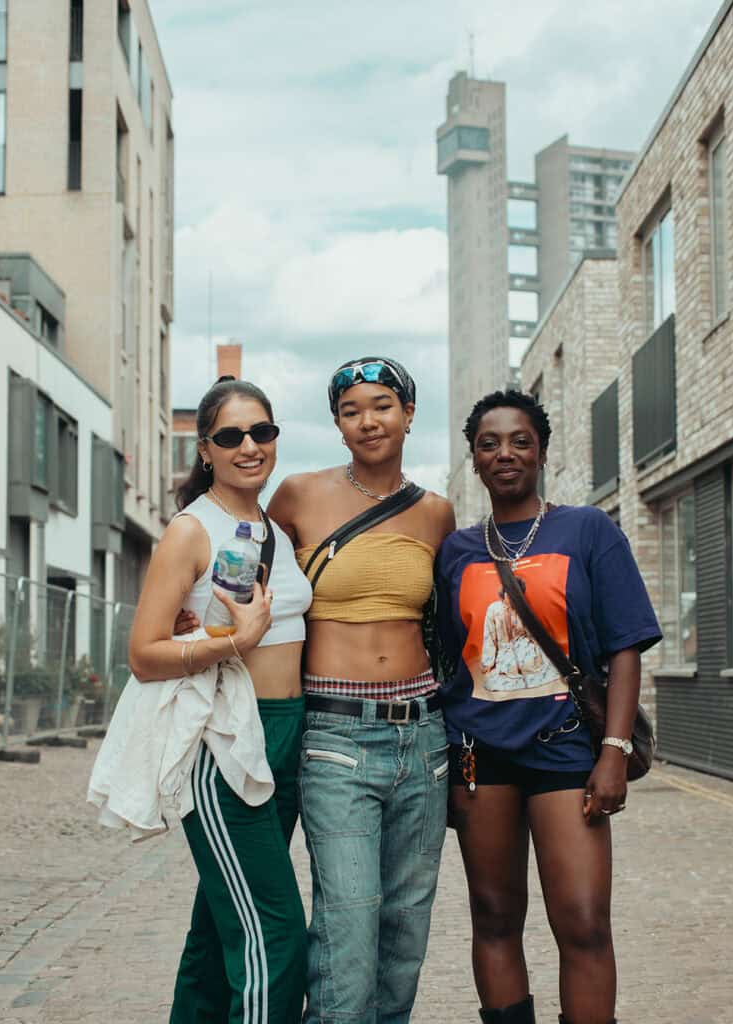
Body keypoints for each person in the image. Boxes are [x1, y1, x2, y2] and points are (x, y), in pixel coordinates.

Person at [435, 389, 661, 1024]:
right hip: (481, 758)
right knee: (496, 916)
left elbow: (624, 649)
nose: (505, 453)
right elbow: (453, 660)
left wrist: (613, 752)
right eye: (489, 443)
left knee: (584, 920)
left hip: (566, 750)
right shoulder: (455, 551)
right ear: (475, 460)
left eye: (520, 441)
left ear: (542, 452)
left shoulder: (587, 530)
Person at [98, 376, 311, 1023]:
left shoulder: (273, 528)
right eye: (230, 436)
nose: (249, 445)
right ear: (206, 451)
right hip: (225, 748)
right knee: (273, 933)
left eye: (261, 432)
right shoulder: (192, 530)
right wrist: (228, 643)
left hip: (284, 739)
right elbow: (143, 652)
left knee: (219, 928)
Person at [266, 356, 456, 1024]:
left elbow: (448, 626)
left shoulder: (436, 512)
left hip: (423, 738)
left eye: (381, 405)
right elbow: (242, 576)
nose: (367, 420)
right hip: (335, 738)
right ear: (337, 425)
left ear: (408, 414)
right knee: (347, 926)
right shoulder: (298, 495)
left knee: (405, 929)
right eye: (351, 410)